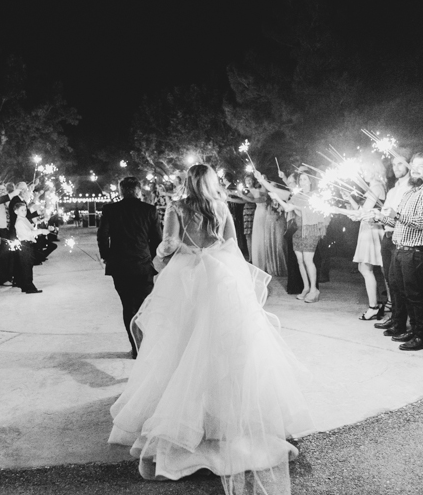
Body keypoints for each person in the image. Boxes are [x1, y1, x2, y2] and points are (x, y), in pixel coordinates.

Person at [108, 164, 313, 492]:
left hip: (187, 278)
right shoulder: (221, 207)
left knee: (183, 343)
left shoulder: (177, 207)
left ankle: (188, 421)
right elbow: (233, 246)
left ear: (188, 182)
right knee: (225, 346)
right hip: (219, 278)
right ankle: (226, 420)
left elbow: (169, 244)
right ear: (212, 182)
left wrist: (165, 254)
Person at [370, 153, 423, 351]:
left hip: (416, 252)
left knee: (415, 295)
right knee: (402, 292)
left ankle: (422, 337)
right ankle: (412, 329)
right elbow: (396, 221)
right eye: (414, 165)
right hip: (401, 249)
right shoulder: (411, 192)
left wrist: (397, 215)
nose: (416, 168)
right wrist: (380, 218)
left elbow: (422, 222)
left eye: (422, 165)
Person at [97, 176, 162, 359]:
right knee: (144, 306)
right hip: (142, 263)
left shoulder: (110, 210)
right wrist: (150, 256)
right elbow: (157, 239)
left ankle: (136, 347)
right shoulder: (149, 210)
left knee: (128, 306)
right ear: (139, 190)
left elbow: (103, 236)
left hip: (119, 264)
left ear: (121, 191)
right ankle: (145, 345)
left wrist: (106, 256)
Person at [264, 170, 327, 302]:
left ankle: (314, 290)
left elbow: (312, 212)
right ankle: (306, 287)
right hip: (299, 230)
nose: (302, 182)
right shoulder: (298, 196)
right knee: (300, 261)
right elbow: (287, 208)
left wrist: (295, 206)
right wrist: (276, 198)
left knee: (308, 260)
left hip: (310, 229)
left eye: (305, 179)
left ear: (310, 181)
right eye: (301, 180)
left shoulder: (315, 195)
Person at [345, 157, 387, 320]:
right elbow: (362, 210)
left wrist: (345, 212)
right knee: (381, 269)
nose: (364, 173)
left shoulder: (375, 187)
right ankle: (388, 303)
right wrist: (350, 200)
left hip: (371, 230)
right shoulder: (375, 187)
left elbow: (364, 213)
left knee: (366, 268)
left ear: (375, 170)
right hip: (369, 228)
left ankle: (374, 307)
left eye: (366, 169)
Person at [374, 155, 412, 332]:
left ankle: (401, 323)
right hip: (387, 237)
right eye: (394, 164)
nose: (396, 167)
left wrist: (388, 217)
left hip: (400, 238)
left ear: (409, 165)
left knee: (400, 283)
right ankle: (396, 318)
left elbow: (402, 218)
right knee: (391, 282)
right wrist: (375, 217)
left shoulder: (412, 188)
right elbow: (387, 218)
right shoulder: (392, 190)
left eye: (400, 164)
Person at [13, 202, 47, 294]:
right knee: (26, 266)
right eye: (22, 210)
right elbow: (28, 234)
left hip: (28, 244)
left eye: (25, 210)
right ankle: (29, 286)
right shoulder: (20, 222)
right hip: (25, 244)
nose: (24, 212)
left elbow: (31, 229)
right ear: (16, 211)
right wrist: (41, 231)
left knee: (28, 265)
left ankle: (25, 285)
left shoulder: (23, 219)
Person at [237, 175, 268, 269]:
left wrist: (240, 195)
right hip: (249, 212)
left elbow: (252, 199)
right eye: (247, 180)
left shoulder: (257, 190)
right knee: (248, 236)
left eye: (250, 180)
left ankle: (255, 258)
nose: (248, 181)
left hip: (255, 212)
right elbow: (243, 200)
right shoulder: (247, 190)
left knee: (255, 235)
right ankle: (252, 257)